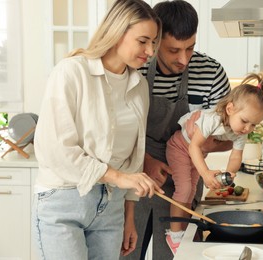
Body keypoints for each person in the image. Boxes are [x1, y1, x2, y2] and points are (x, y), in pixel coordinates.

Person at [31, 0, 164, 259]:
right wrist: (119, 177)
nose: (150, 51)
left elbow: (133, 159)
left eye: (154, 42)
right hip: (64, 201)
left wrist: (129, 217)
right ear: (117, 33)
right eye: (143, 41)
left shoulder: (138, 87)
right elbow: (55, 151)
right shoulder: (71, 72)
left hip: (111, 206)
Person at [125, 1, 232, 259]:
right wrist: (144, 161)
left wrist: (198, 145)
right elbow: (115, 133)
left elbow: (230, 137)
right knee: (127, 250)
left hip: (185, 179)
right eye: (174, 50)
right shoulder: (133, 68)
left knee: (179, 255)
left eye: (190, 47)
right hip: (136, 176)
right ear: (155, 40)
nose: (184, 59)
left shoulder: (212, 73)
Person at [165, 73, 263, 253]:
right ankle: (174, 234)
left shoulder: (241, 132)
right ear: (230, 109)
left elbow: (236, 157)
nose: (248, 129)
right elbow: (194, 147)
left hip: (196, 153)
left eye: (254, 125)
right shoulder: (212, 118)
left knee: (190, 191)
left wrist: (229, 174)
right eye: (245, 121)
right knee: (183, 188)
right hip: (180, 148)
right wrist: (206, 173)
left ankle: (182, 230)